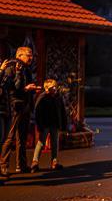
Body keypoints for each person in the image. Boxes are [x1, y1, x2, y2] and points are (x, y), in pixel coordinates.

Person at [0, 47, 39, 176]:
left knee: (22, 137)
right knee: (10, 137)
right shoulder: (12, 66)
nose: (31, 58)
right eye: (28, 55)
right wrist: (25, 88)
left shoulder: (26, 68)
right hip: (15, 106)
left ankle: (21, 165)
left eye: (32, 55)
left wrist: (31, 89)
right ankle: (4, 165)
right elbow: (9, 87)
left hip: (25, 105)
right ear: (20, 55)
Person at [31, 79, 67, 172]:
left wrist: (64, 124)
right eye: (52, 87)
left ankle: (54, 161)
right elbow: (38, 112)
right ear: (46, 88)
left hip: (55, 123)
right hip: (45, 124)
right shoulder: (42, 97)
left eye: (55, 86)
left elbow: (62, 111)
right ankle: (35, 162)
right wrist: (39, 125)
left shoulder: (58, 97)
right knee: (41, 142)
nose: (55, 88)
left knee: (55, 142)